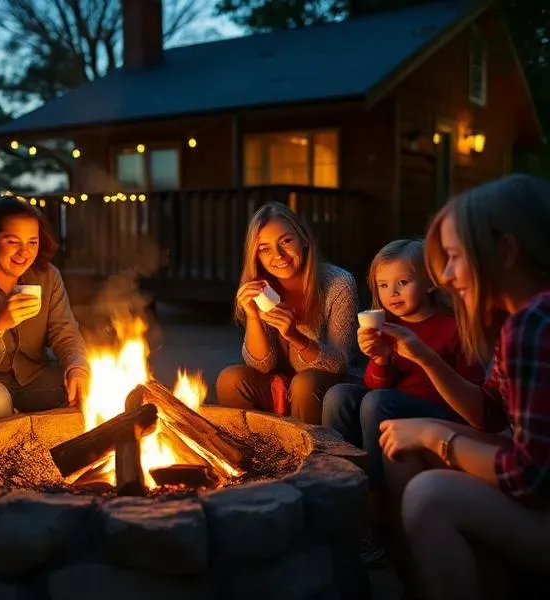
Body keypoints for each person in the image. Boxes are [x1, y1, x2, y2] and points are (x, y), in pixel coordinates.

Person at [378, 174, 550, 599]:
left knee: (428, 494)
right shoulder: (518, 318)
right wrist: (423, 356)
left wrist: (438, 436)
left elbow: (529, 476)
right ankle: (420, 576)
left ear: (506, 251)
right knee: (404, 443)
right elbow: (490, 412)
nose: (448, 276)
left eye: (455, 257)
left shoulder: (536, 323)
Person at [321, 239, 484, 562]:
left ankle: (376, 507)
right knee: (339, 396)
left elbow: (473, 392)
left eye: (402, 283)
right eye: (383, 285)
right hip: (390, 400)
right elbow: (374, 382)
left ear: (429, 282)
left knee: (376, 402)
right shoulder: (386, 324)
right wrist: (380, 358)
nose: (391, 293)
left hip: (439, 411)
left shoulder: (452, 327)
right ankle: (335, 486)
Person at [0, 196, 90, 426]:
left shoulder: (47, 277)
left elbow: (66, 333)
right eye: (13, 241)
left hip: (31, 379)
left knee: (87, 384)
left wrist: (77, 367)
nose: (24, 252)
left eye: (32, 242)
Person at [216, 202, 361, 423]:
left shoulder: (339, 283)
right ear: (257, 256)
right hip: (282, 385)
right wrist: (254, 317)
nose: (279, 255)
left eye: (285, 241)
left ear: (303, 239)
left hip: (328, 386)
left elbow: (339, 363)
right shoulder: (262, 288)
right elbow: (261, 365)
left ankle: (310, 454)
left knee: (304, 383)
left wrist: (296, 336)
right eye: (265, 249)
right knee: (230, 378)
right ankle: (251, 452)